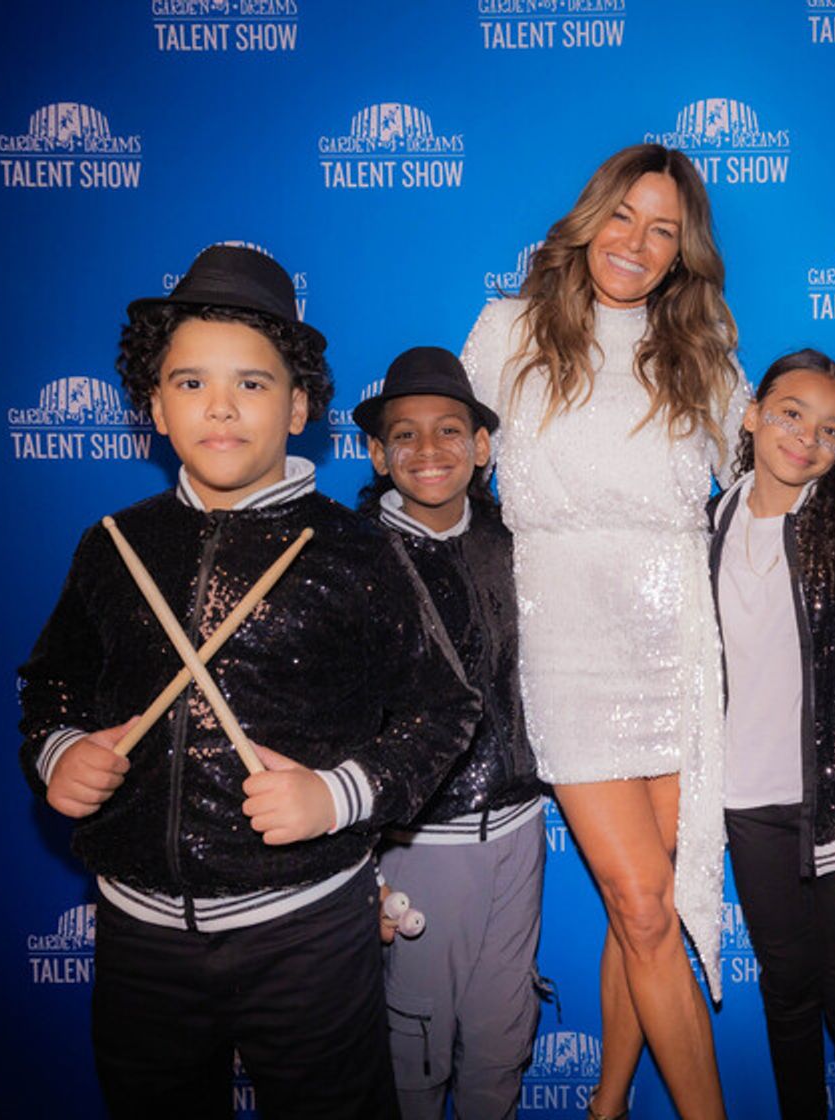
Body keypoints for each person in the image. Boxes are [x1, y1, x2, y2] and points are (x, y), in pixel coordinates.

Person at [459, 143, 835, 1120]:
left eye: (662, 229)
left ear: (681, 252)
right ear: (590, 219)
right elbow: (445, 474)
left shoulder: (701, 351)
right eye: (622, 216)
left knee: (653, 911)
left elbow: (787, 463)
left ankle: (607, 1102)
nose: (636, 241)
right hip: (568, 653)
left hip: (678, 654)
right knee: (637, 902)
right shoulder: (505, 332)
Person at [18, 246, 480, 1120]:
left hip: (306, 935)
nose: (220, 406)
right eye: (189, 383)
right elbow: (50, 685)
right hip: (137, 940)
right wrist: (59, 752)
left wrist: (337, 795)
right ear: (153, 405)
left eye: (254, 385)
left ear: (302, 405)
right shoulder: (111, 545)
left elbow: (445, 710)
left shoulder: (359, 551)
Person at [708, 349, 835, 1119]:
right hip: (748, 800)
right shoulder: (711, 518)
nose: (807, 439)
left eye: (832, 431)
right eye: (792, 414)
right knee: (787, 992)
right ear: (754, 412)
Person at [354, 346, 545, 1120]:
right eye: (406, 434)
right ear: (377, 450)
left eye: (449, 431)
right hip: (413, 845)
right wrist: (357, 867)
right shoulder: (350, 555)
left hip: (519, 829)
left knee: (504, 1039)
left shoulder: (513, 543)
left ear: (483, 445)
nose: (429, 450)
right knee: (413, 1049)